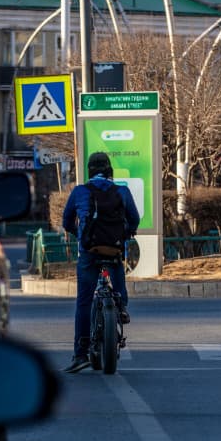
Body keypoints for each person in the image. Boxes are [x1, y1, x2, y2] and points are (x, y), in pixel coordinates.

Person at [60, 152, 140, 373]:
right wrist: (126, 233)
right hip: (114, 248)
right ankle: (121, 307)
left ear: (89, 171)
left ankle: (80, 354)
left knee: (84, 301)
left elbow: (66, 221)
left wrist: (80, 234)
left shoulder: (80, 191)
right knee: (117, 278)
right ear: (109, 170)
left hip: (89, 251)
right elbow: (134, 219)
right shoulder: (122, 191)